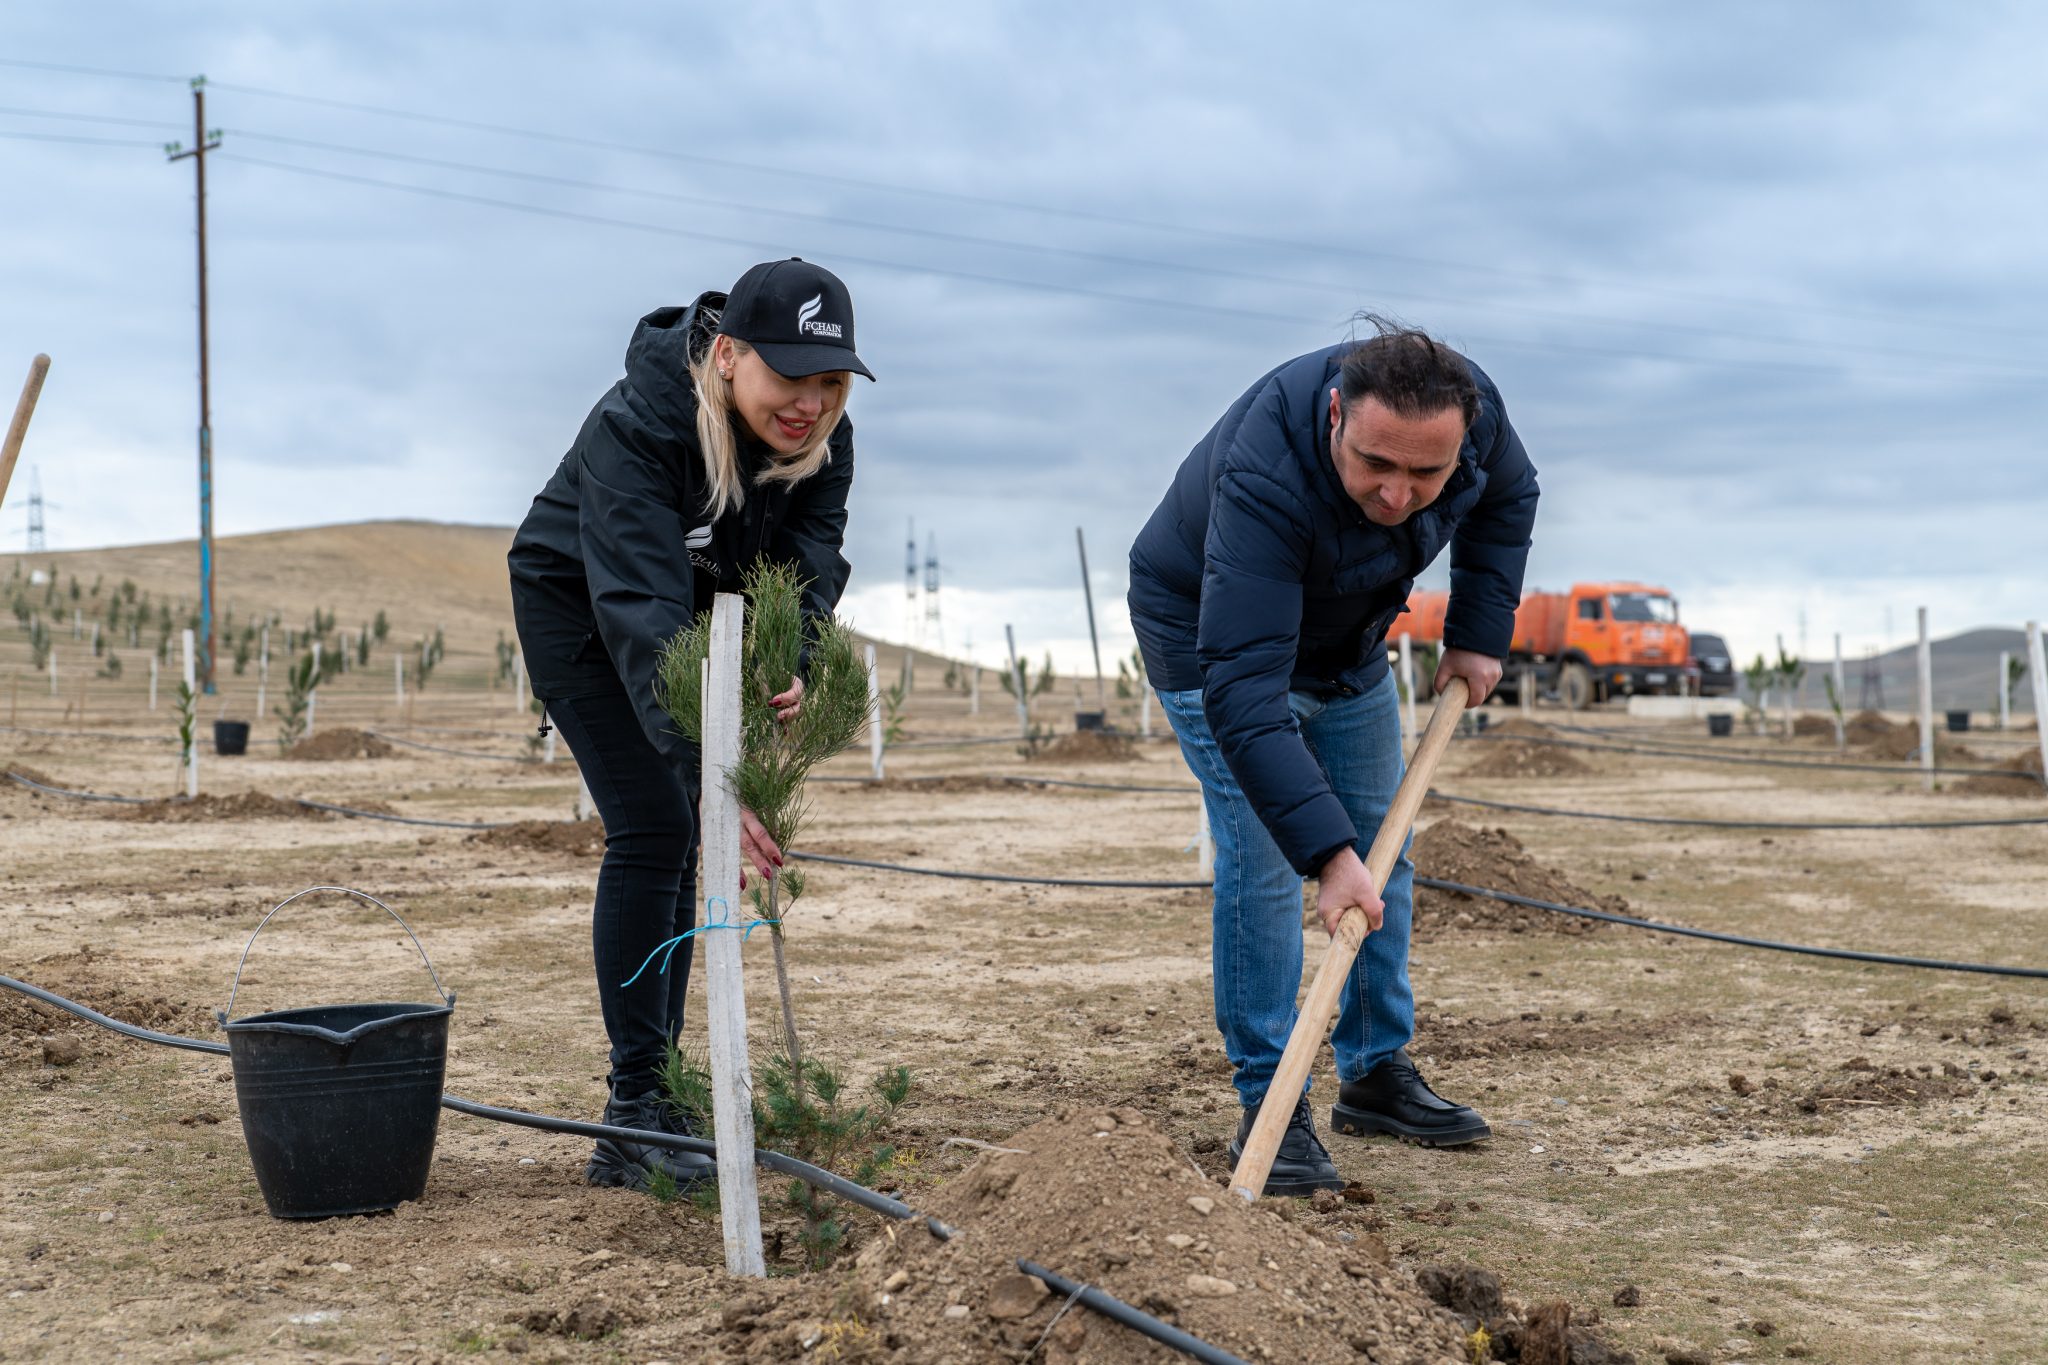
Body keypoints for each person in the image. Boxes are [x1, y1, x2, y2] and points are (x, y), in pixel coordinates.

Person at [1127, 320, 1538, 1194]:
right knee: (1267, 858)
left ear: (1461, 440)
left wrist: (1477, 632)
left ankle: (1375, 1071)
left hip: (1348, 640)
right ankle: (1270, 1100)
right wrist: (1323, 855)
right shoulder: (1265, 474)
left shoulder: (1479, 422)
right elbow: (1245, 694)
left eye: (1425, 475)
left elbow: (1510, 497)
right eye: (1375, 464)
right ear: (1335, 418)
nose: (1397, 494)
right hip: (1211, 642)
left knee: (1383, 846)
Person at [507, 258, 873, 1192]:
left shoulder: (824, 442)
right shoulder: (641, 425)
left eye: (831, 380)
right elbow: (639, 610)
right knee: (657, 825)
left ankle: (661, 1098)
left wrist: (794, 656)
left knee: (680, 833)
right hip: (584, 615)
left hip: (693, 625)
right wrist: (715, 773)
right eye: (791, 375)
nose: (811, 403)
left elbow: (809, 566)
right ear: (729, 354)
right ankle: (633, 1112)